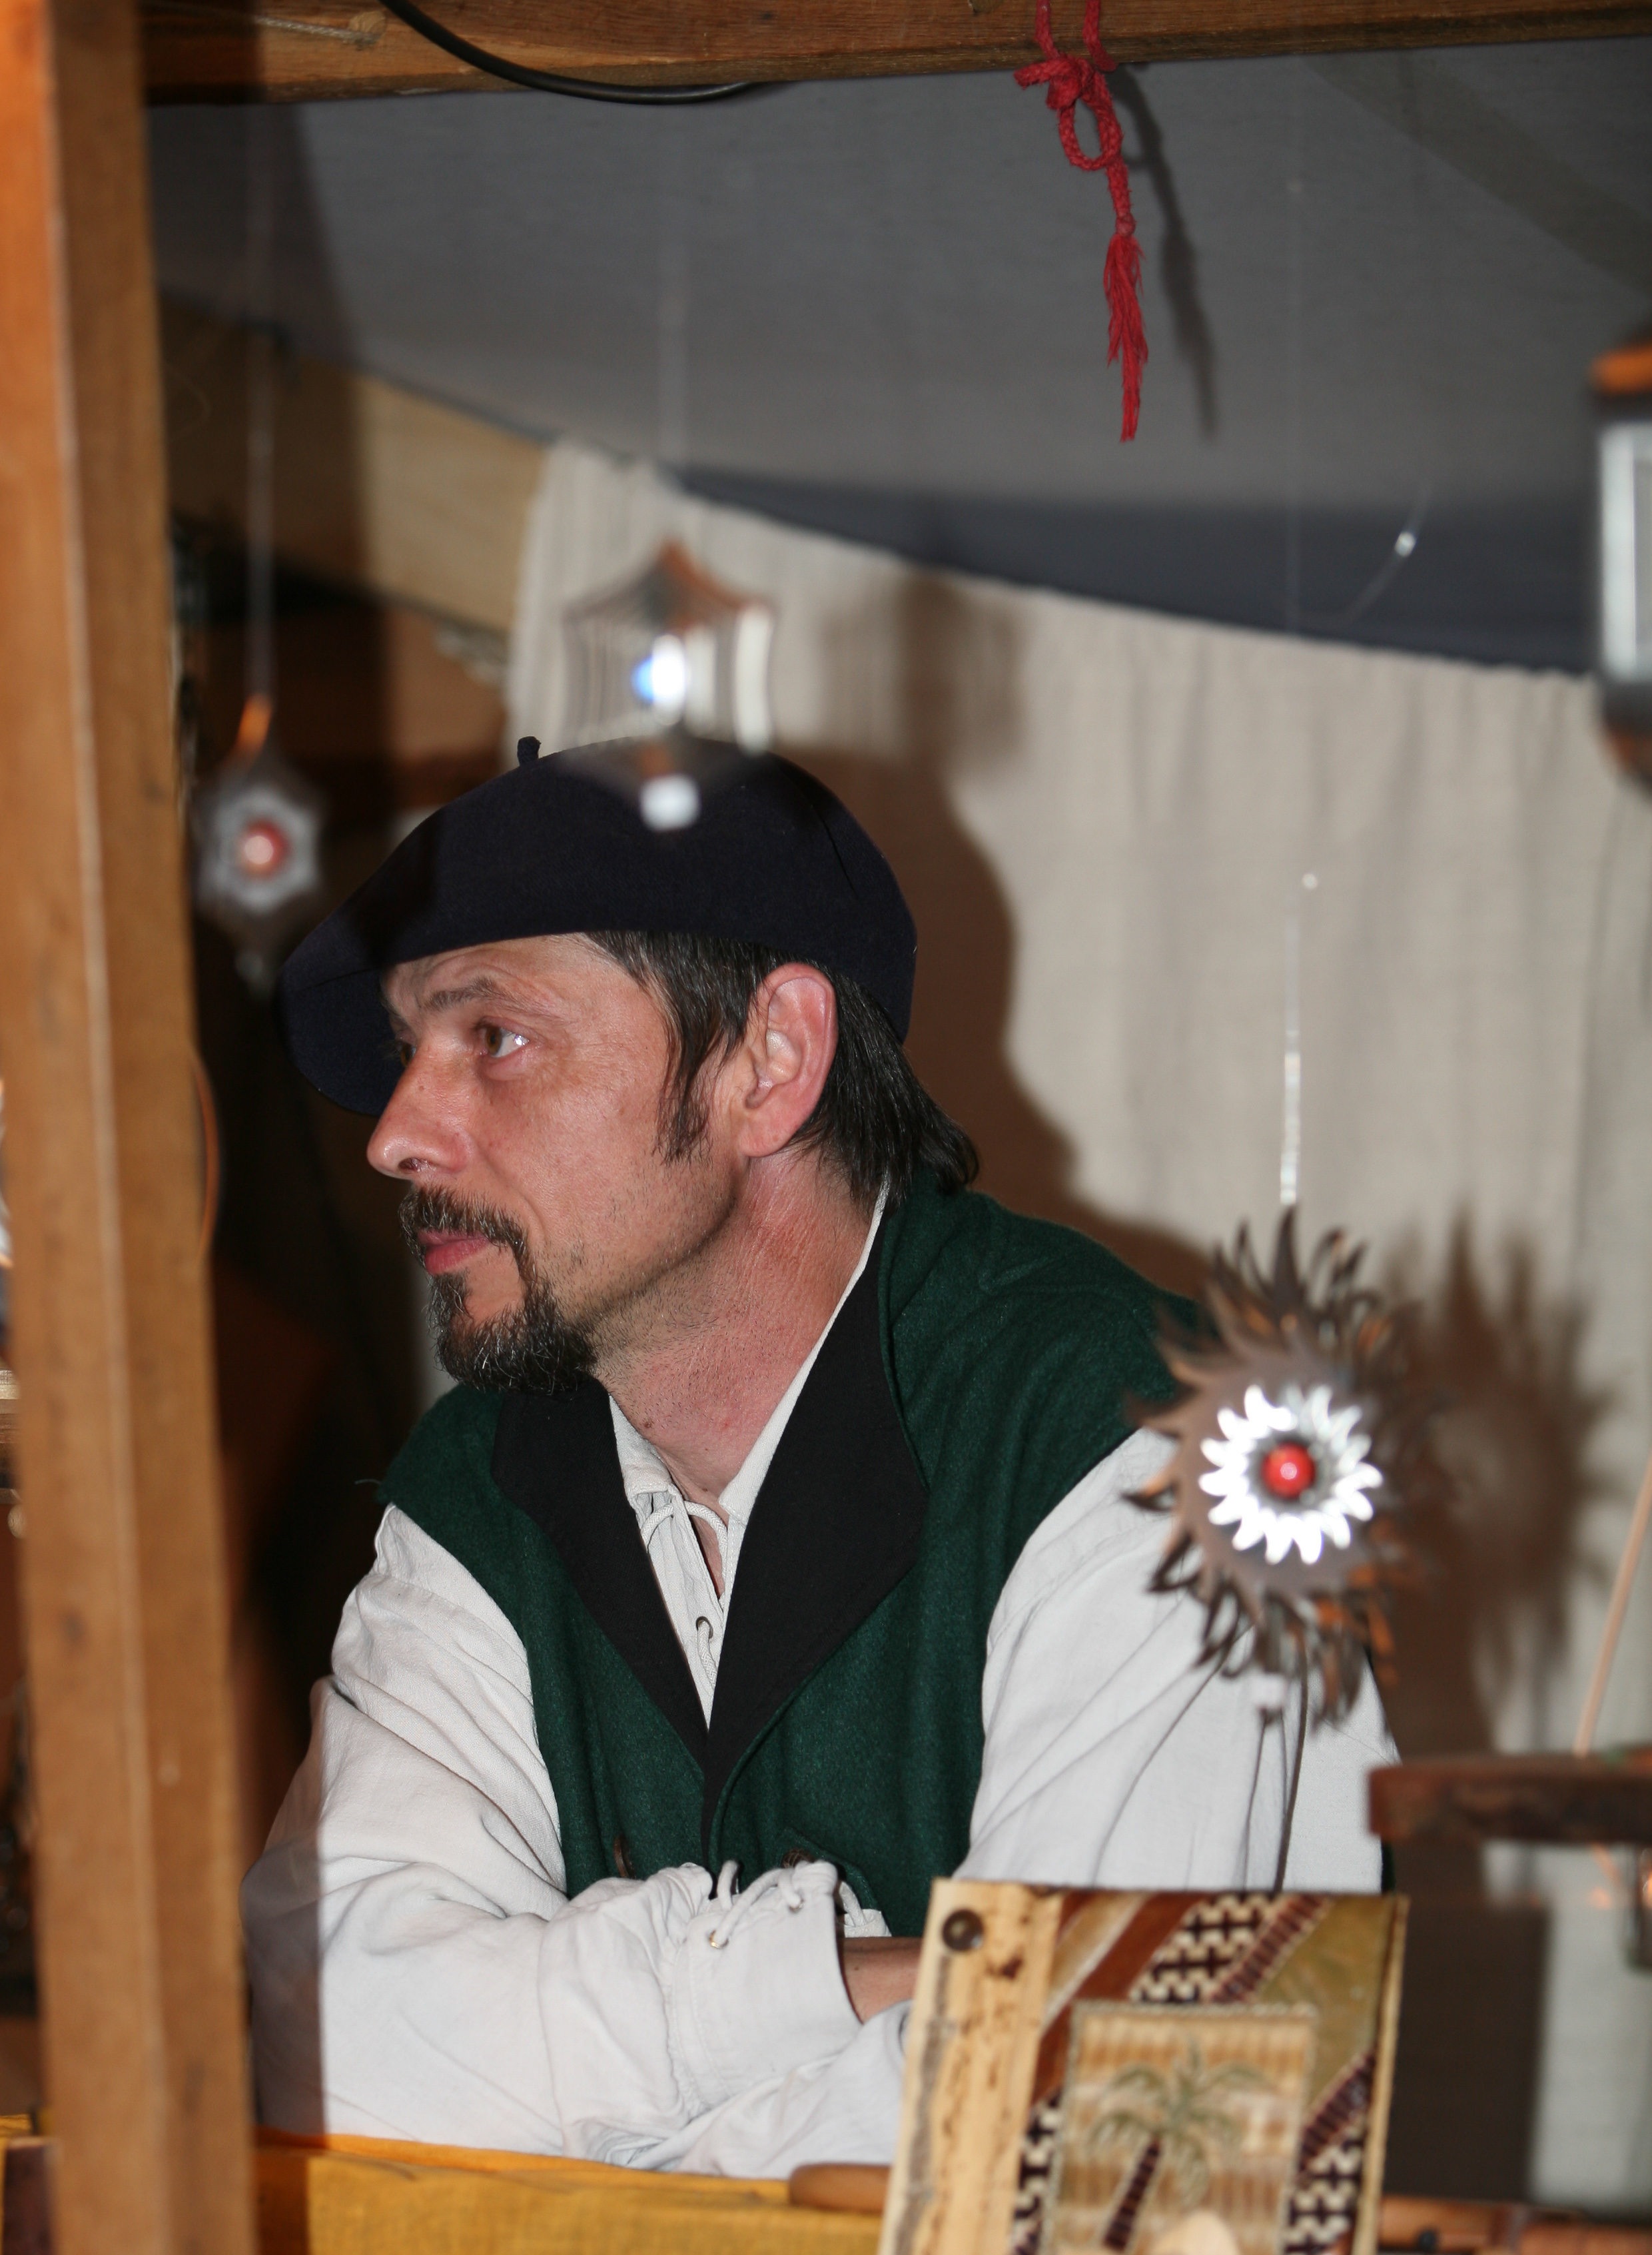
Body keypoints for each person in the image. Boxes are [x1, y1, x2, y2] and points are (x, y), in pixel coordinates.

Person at [243, 742, 1392, 2176]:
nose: (399, 1135)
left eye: (495, 1036)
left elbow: (1115, 2119)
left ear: (770, 1061)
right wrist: (826, 1986)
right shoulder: (477, 1490)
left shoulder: (1154, 1445)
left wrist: (573, 2118)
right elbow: (325, 2050)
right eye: (411, 1051)